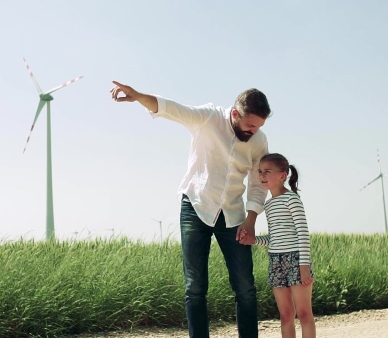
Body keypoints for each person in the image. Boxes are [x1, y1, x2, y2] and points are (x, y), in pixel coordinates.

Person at [110, 80, 272, 338]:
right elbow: (174, 109)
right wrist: (139, 96)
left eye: (259, 126)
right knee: (195, 287)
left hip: (234, 215)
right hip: (196, 206)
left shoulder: (258, 140)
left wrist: (251, 218)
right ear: (234, 114)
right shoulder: (209, 118)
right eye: (250, 125)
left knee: (245, 287)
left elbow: (257, 183)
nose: (254, 131)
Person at [241, 153, 315, 338]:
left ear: (283, 176)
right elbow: (273, 238)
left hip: (296, 260)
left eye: (267, 171)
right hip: (276, 261)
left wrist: (304, 266)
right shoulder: (268, 204)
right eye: (260, 172)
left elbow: (303, 233)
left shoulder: (292, 199)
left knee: (304, 313)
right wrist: (254, 240)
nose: (262, 176)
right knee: (286, 315)